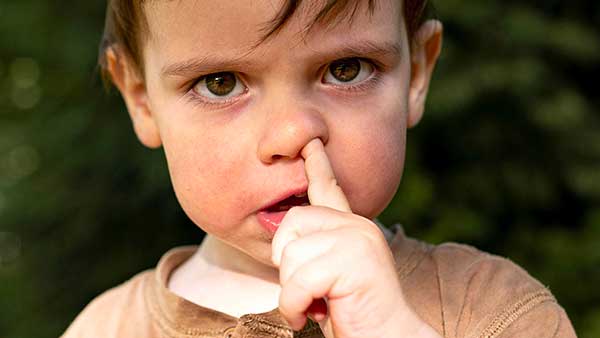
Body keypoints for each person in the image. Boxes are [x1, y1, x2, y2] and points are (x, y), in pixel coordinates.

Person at [62, 0, 577, 337]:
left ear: (416, 72)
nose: (292, 134)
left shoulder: (491, 309)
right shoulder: (106, 328)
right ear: (142, 99)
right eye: (220, 83)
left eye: (345, 69)